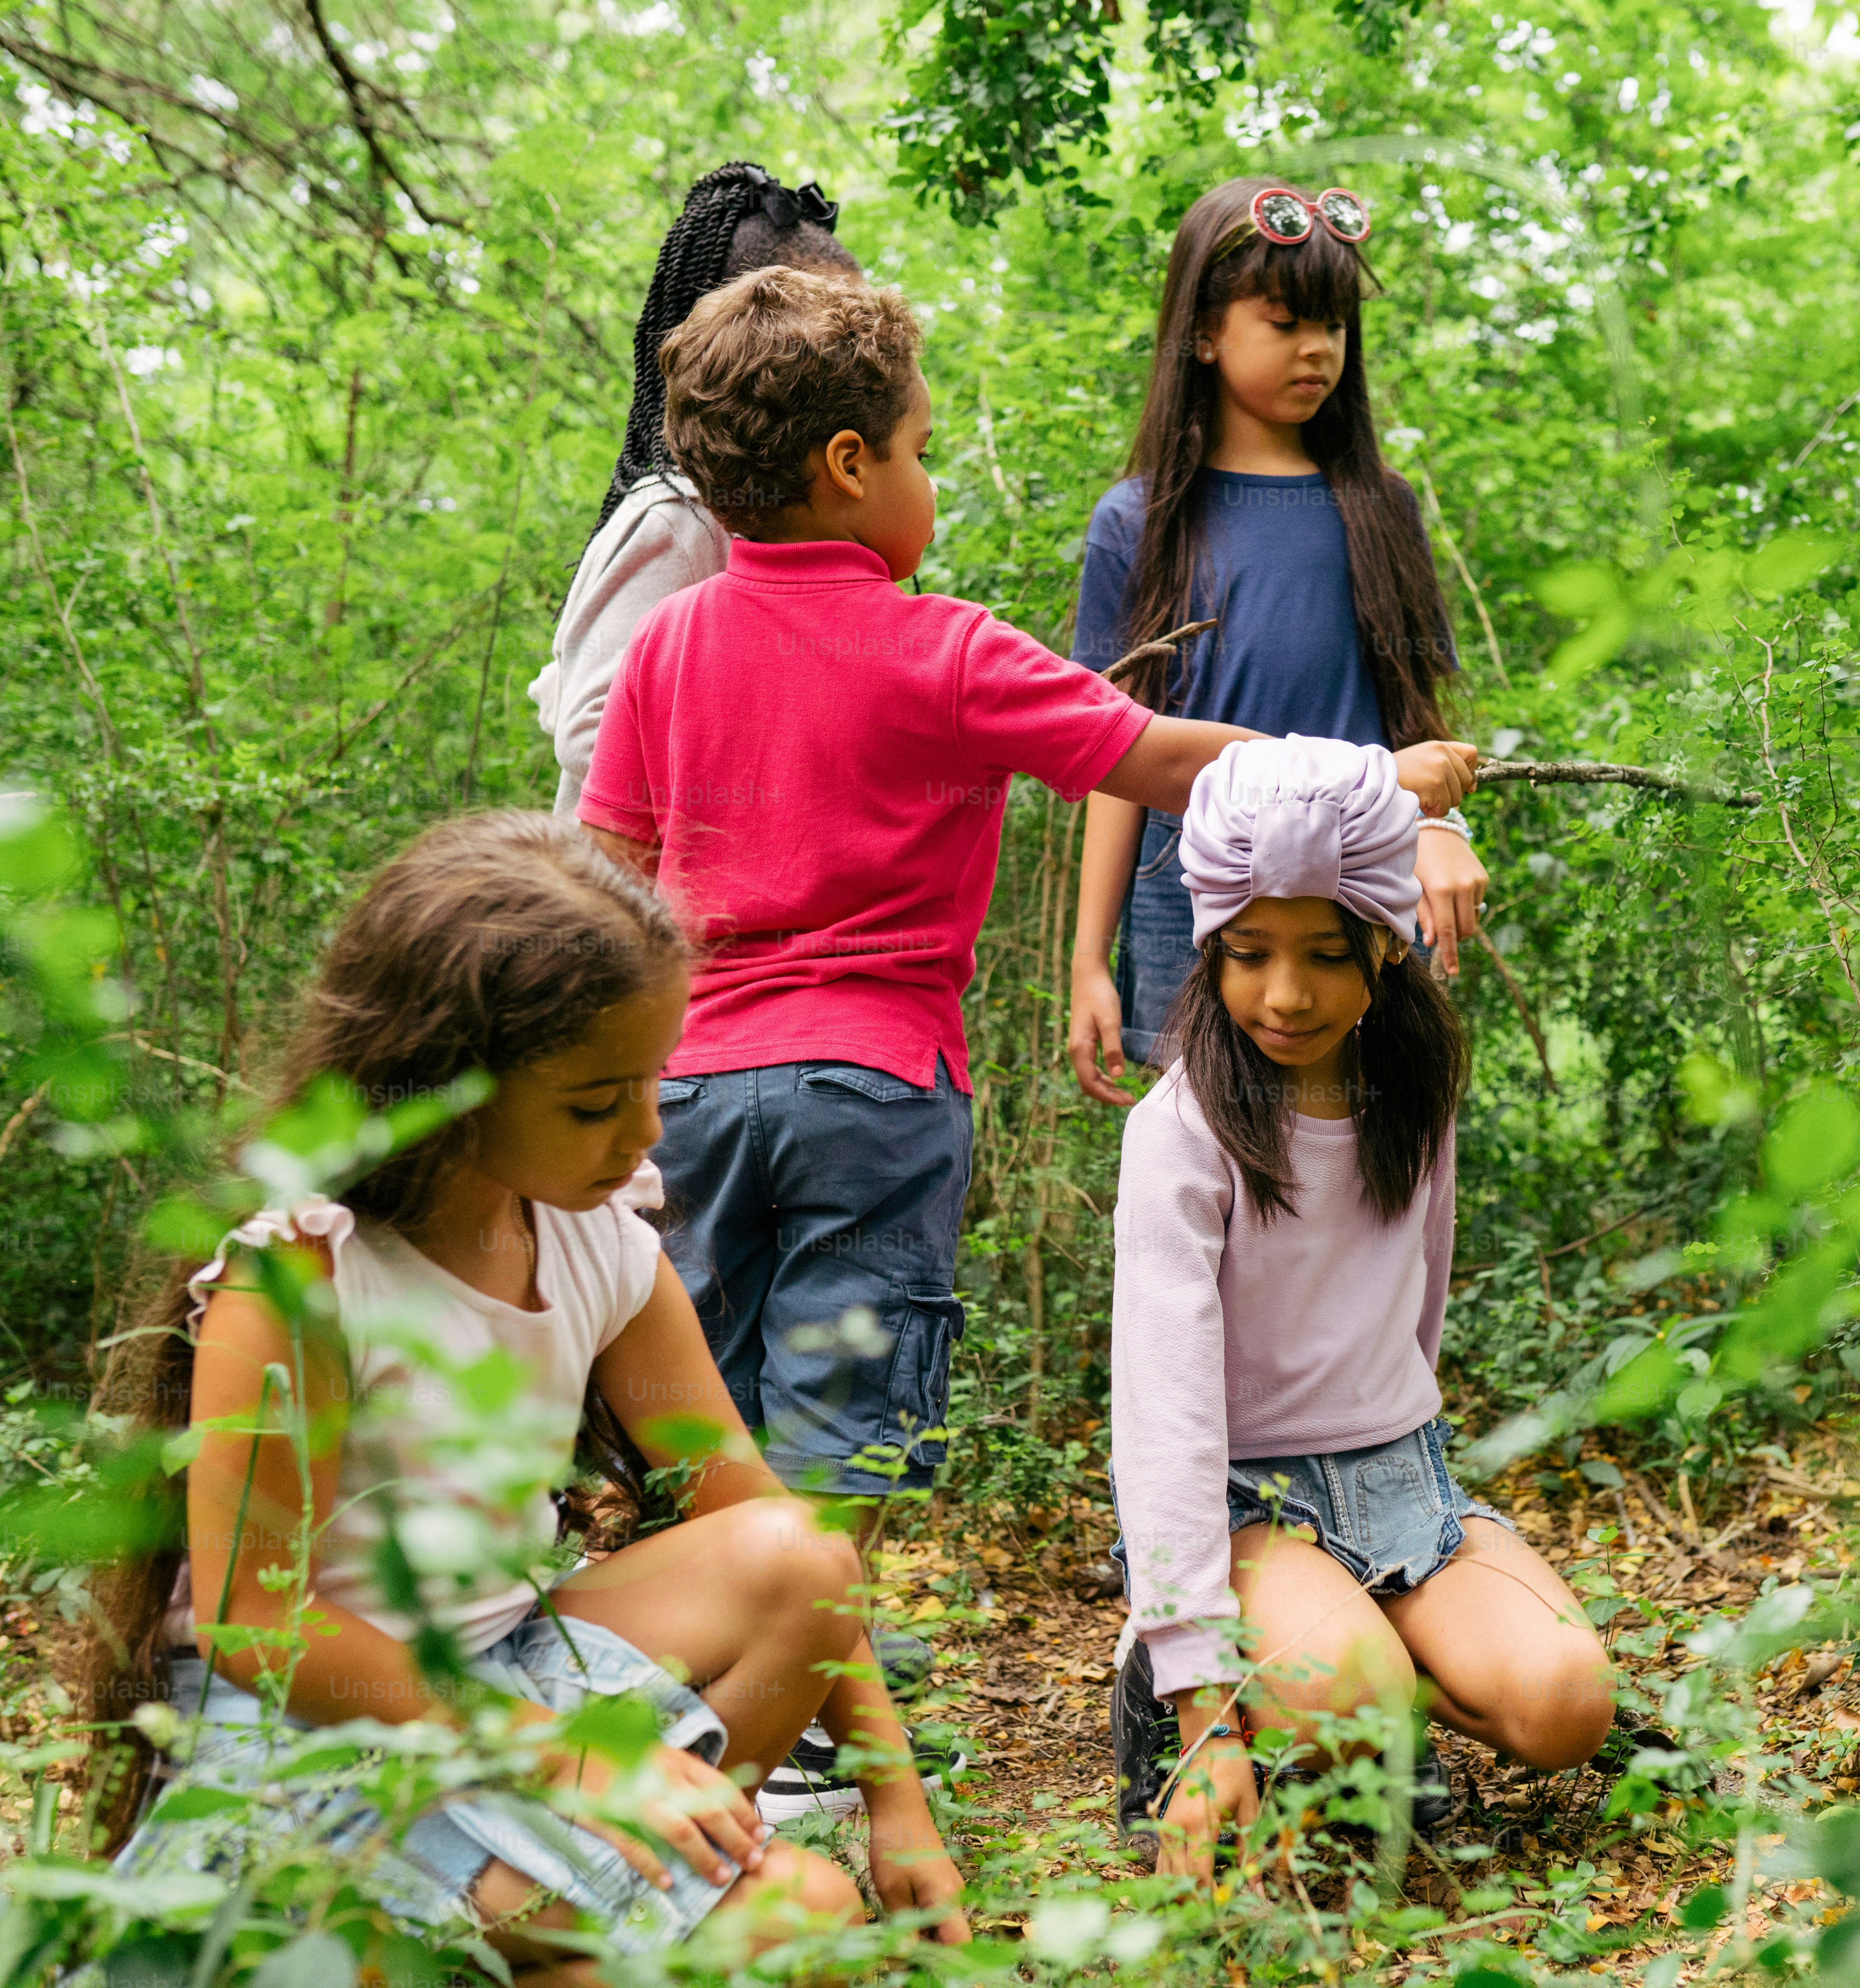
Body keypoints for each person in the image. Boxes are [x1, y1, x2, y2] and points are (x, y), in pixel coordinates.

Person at [572, 269, 1479, 1806]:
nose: (928, 478)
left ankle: (712, 1709)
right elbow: (1172, 760)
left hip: (694, 1088)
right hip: (874, 1096)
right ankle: (783, 1746)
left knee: (708, 1419)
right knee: (846, 1435)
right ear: (849, 466)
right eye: (921, 450)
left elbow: (606, 881)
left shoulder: (665, 650)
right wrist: (1373, 781)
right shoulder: (943, 649)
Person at [76, 814, 969, 1963]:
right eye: (595, 1102)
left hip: (496, 1666)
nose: (645, 1132)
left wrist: (896, 1796)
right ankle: (441, 1921)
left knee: (798, 1554)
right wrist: (568, 1755)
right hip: (311, 1731)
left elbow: (757, 1519)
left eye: (653, 1082)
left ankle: (625, 1879)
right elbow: (258, 1619)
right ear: (451, 1086)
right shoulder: (306, 1271)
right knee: (798, 1919)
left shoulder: (600, 1239)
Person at [1107, 738, 1613, 1881]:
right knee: (1353, 1699)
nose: (1285, 994)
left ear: (1385, 945)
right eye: (1249, 954)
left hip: (1400, 1482)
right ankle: (1178, 1673)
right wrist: (1201, 1699)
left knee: (1566, 1702)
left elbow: (1417, 1302)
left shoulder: (1410, 1095)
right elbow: (1164, 1414)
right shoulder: (1179, 1132)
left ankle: (1357, 1666)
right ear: (1210, 945)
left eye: (1326, 955)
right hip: (1243, 1502)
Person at [1065, 177, 1492, 1104]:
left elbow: (1413, 718)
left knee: (1361, 1147)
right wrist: (1090, 958)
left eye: (1334, 324)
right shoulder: (1138, 521)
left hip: (1363, 887)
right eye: (1286, 322)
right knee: (1210, 1155)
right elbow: (1115, 756)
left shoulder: (1379, 507)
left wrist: (1439, 826)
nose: (1318, 349)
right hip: (1194, 894)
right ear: (1204, 335)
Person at [532, 164, 857, 822]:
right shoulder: (683, 518)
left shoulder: (800, 507)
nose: (863, 360)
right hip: (622, 883)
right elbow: (590, 728)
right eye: (837, 336)